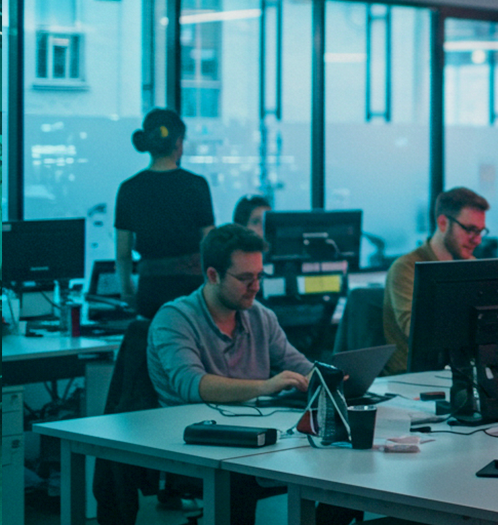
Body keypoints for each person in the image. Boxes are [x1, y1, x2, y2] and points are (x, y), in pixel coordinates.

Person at [147, 225, 362, 525]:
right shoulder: (174, 318)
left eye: (260, 276)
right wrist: (266, 385)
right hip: (195, 442)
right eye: (245, 278)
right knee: (240, 482)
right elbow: (193, 385)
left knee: (341, 465)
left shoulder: (260, 316)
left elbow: (296, 364)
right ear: (213, 275)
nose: (256, 287)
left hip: (254, 435)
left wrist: (333, 377)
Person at [116, 109, 215, 319]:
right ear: (178, 143)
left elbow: (123, 253)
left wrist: (127, 291)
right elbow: (210, 243)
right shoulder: (196, 185)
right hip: (192, 291)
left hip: (150, 290)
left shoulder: (129, 188)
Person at [381, 187, 490, 375]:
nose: (477, 240)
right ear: (443, 223)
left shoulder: (470, 266)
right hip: (412, 378)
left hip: (458, 372)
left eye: (481, 231)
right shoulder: (407, 267)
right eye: (470, 230)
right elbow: (417, 330)